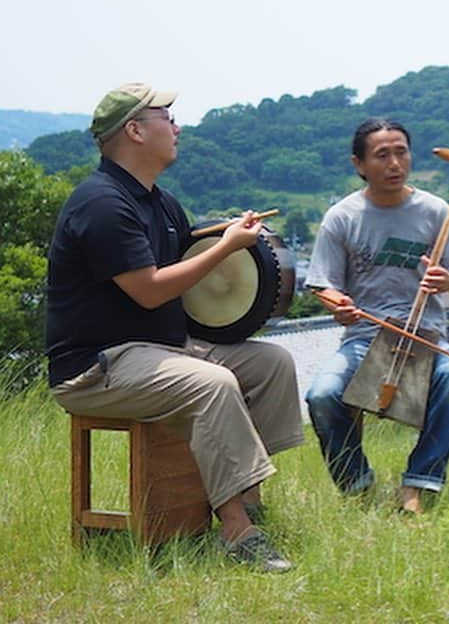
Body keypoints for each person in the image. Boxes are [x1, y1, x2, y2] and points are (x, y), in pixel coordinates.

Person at [46, 83, 304, 572]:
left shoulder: (161, 203)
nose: (177, 126)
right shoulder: (102, 203)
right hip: (96, 367)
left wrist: (225, 238)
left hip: (163, 349)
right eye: (167, 116)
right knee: (212, 384)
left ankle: (245, 497)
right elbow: (150, 290)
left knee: (272, 363)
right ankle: (235, 531)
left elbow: (188, 267)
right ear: (135, 131)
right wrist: (224, 248)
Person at [304, 117, 449, 514]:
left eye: (401, 152)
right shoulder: (342, 216)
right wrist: (339, 304)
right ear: (359, 164)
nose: (394, 163)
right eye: (382, 155)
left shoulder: (436, 210)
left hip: (426, 336)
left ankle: (418, 484)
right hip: (365, 337)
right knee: (322, 395)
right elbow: (323, 284)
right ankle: (357, 485)